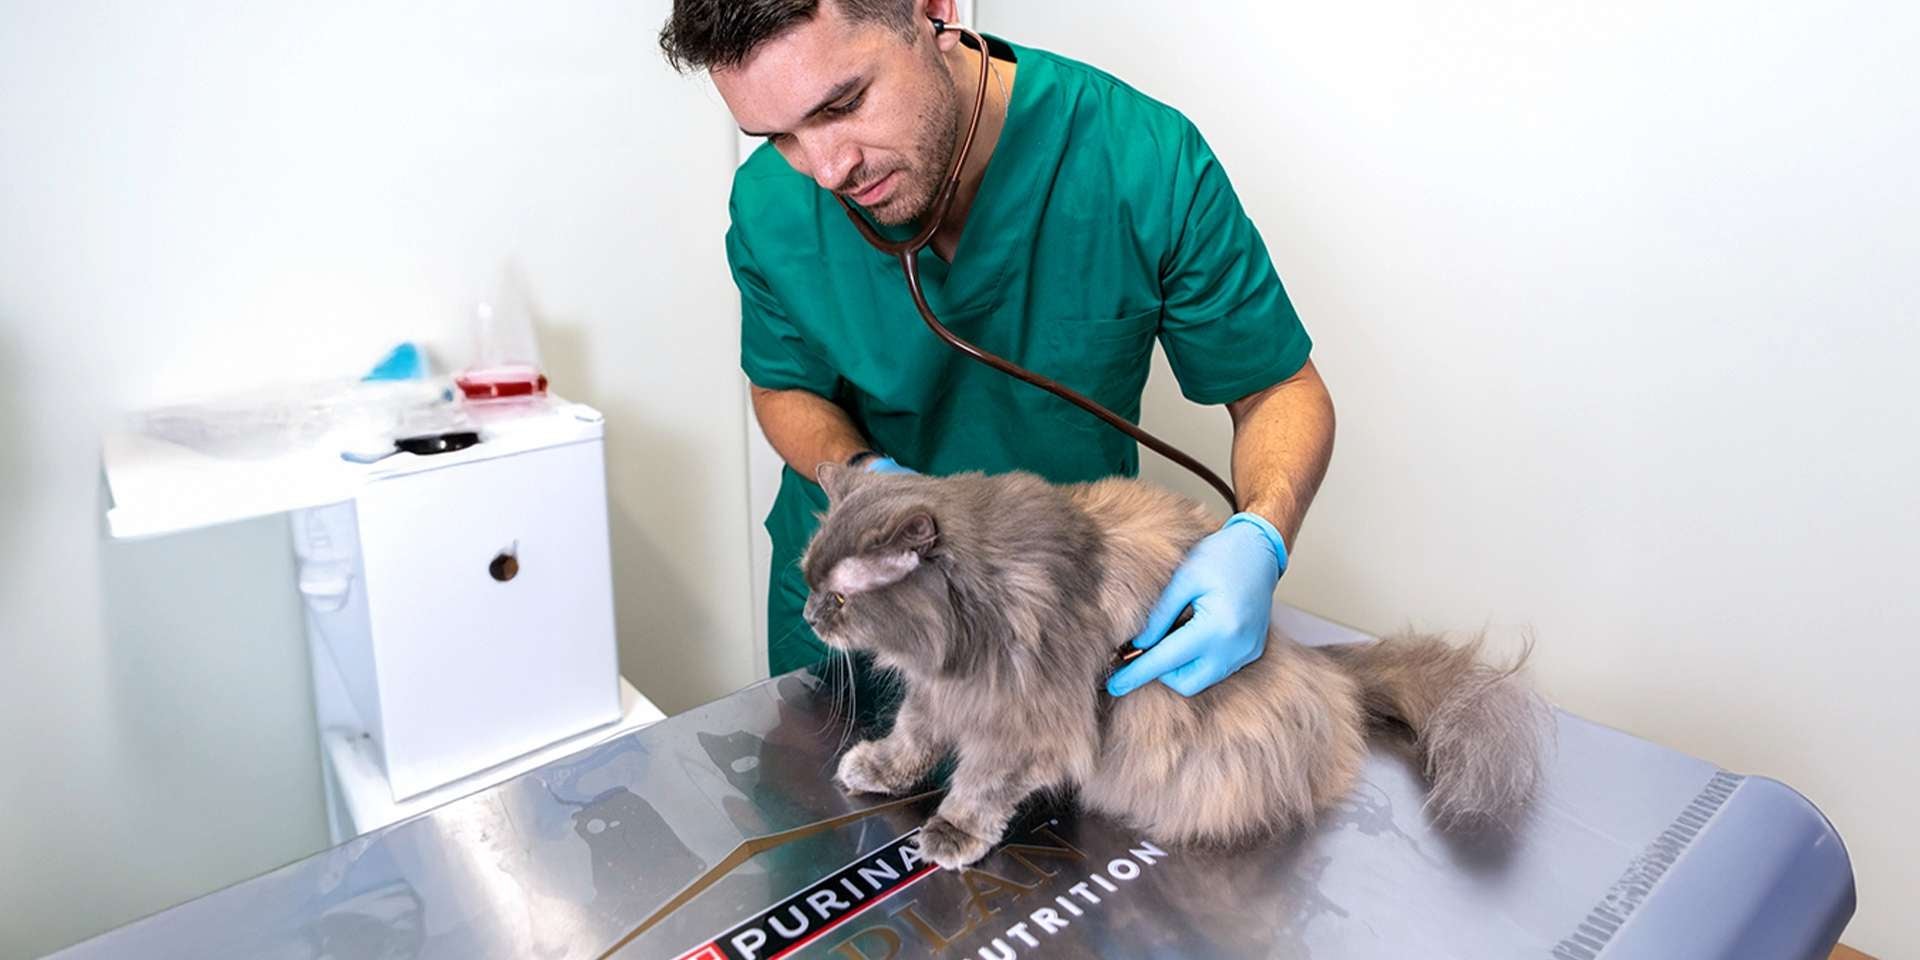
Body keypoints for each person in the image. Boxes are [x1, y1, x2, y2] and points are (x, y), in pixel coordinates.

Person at [659, 0, 1335, 699]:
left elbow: (1276, 388)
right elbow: (783, 388)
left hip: (1046, 608)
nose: (828, 171)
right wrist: (868, 479)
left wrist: (1261, 534)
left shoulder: (1139, 162)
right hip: (853, 602)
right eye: (779, 135)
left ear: (933, 11)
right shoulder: (772, 201)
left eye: (844, 105)